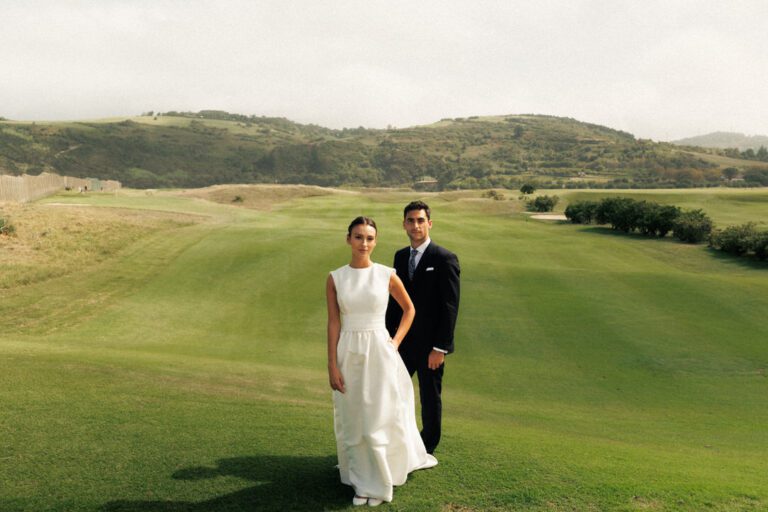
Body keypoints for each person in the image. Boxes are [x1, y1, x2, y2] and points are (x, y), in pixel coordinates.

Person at [327, 216, 438, 507]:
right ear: (348, 239)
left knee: (377, 418)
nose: (364, 243)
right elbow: (333, 323)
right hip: (348, 351)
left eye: (370, 238)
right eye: (359, 237)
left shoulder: (386, 274)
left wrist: (395, 342)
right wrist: (331, 364)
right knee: (354, 418)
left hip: (380, 350)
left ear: (375, 242)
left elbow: (409, 309)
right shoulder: (335, 278)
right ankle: (360, 480)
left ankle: (378, 484)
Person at [385, 201, 460, 455]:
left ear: (429, 223)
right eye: (410, 220)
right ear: (404, 224)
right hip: (402, 344)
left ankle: (427, 447)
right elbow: (395, 304)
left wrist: (440, 348)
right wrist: (388, 338)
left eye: (420, 220)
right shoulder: (400, 256)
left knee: (429, 398)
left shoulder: (444, 258)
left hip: (431, 347)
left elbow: (450, 307)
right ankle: (397, 439)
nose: (415, 225)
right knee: (394, 393)